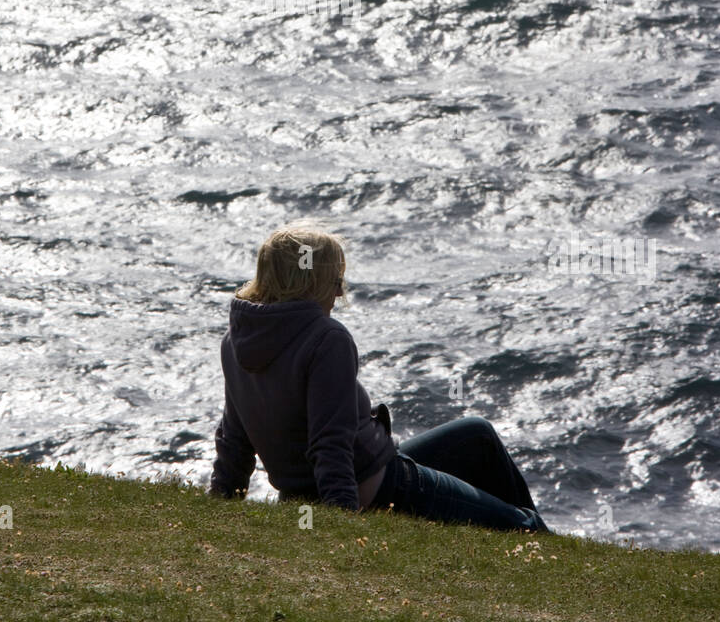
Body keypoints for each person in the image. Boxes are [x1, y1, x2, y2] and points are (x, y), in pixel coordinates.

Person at [208, 225, 551, 533]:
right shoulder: (325, 338)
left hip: (312, 491)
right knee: (524, 524)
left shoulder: (236, 341)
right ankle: (547, 548)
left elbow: (234, 442)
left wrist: (220, 507)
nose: (339, 294)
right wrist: (340, 523)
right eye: (335, 281)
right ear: (309, 282)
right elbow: (330, 443)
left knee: (478, 435)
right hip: (377, 485)